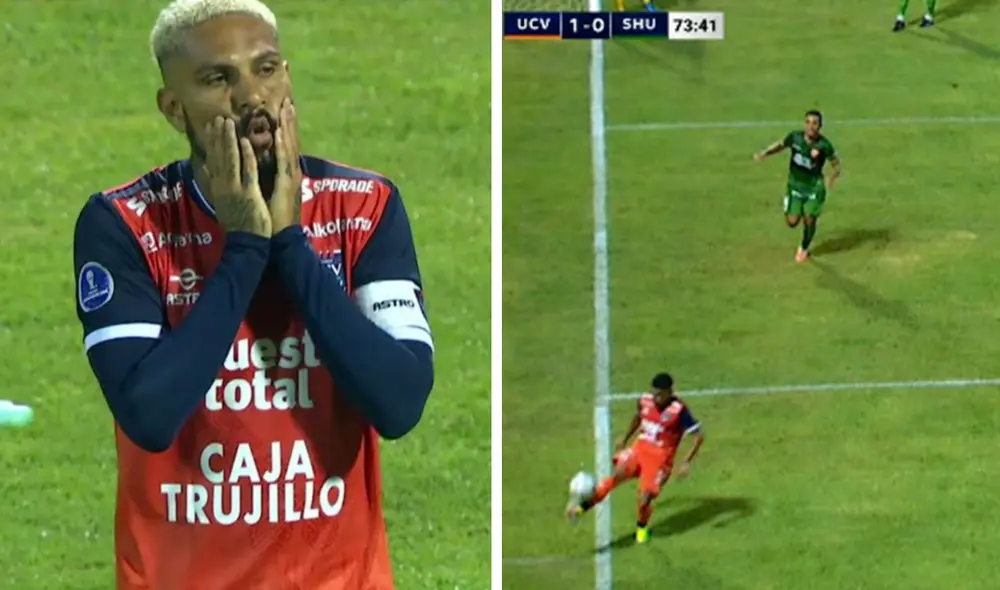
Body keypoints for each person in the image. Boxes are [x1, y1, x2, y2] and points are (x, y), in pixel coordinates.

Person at [71, 1, 434, 588]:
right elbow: (149, 414)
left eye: (266, 70)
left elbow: (399, 403)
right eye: (218, 78)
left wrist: (290, 244)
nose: (251, 96)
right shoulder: (125, 225)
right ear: (173, 107)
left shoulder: (364, 208)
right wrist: (243, 249)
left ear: (287, 77)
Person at [566, 373, 704, 544]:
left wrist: (686, 462)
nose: (655, 397)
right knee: (616, 476)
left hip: (660, 460)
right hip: (639, 450)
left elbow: (698, 436)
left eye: (660, 394)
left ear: (669, 392)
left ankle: (642, 527)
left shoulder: (679, 410)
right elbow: (638, 417)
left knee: (644, 498)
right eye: (654, 393)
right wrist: (625, 438)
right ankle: (579, 509)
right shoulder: (645, 401)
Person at [753, 110, 841, 263]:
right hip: (795, 185)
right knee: (792, 222)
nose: (811, 126)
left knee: (809, 219)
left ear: (820, 126)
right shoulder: (795, 138)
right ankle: (790, 203)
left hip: (814, 187)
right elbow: (780, 145)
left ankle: (804, 248)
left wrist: (831, 179)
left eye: (815, 123)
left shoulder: (824, 145)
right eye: (808, 122)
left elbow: (836, 165)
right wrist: (764, 153)